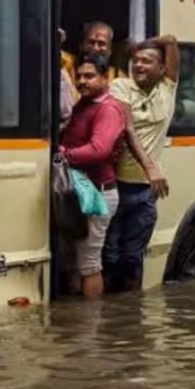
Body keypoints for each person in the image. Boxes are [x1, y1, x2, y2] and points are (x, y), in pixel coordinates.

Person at [103, 35, 180, 293]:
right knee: (110, 257)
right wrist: (150, 167)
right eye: (135, 60)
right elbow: (127, 128)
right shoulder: (120, 86)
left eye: (146, 61)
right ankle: (105, 313)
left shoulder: (167, 89)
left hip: (146, 192)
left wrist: (145, 43)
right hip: (115, 187)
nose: (139, 65)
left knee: (133, 259)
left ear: (162, 68)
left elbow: (171, 41)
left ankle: (131, 314)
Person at [59, 51, 126, 299]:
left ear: (105, 77)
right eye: (79, 76)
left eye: (89, 76)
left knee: (89, 262)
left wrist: (64, 155)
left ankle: (91, 317)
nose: (82, 82)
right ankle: (78, 317)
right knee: (75, 261)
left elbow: (100, 149)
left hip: (97, 194)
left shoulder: (108, 109)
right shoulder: (84, 104)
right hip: (80, 190)